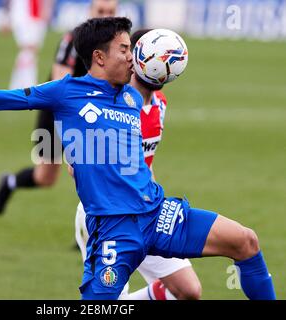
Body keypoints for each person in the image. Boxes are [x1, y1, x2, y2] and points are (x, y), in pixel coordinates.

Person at [0, 17, 276, 300]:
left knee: (245, 242)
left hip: (157, 213)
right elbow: (3, 98)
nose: (133, 57)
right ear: (99, 57)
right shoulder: (67, 94)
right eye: (125, 50)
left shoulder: (135, 92)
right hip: (112, 228)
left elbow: (156, 71)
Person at [72, 29, 201, 300]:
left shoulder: (159, 105)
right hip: (107, 217)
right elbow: (74, 165)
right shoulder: (109, 106)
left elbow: (147, 163)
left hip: (146, 213)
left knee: (188, 290)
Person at [0, 0, 118, 215]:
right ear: (89, 11)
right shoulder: (74, 39)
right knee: (46, 177)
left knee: (92, 173)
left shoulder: (118, 44)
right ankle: (10, 182)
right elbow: (60, 80)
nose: (105, 16)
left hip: (91, 116)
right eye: (100, 11)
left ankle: (88, 234)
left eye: (110, 12)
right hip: (57, 113)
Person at [4, 0, 53, 89]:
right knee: (29, 50)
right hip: (25, 13)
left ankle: (17, 86)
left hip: (33, 12)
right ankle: (28, 87)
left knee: (28, 51)